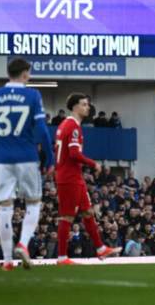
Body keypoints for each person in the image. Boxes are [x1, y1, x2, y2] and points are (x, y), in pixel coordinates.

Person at [0, 57, 55, 271]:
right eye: (29, 72)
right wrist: (50, 157)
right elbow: (42, 130)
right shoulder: (32, 95)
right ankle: (23, 243)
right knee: (33, 203)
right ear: (24, 73)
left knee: (5, 207)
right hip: (27, 156)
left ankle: (8, 260)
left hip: (1, 159)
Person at [54, 93, 120, 265]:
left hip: (73, 176)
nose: (87, 107)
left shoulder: (64, 125)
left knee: (88, 212)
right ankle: (62, 257)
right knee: (67, 217)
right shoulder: (73, 126)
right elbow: (74, 153)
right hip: (69, 177)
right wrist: (94, 164)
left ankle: (100, 248)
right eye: (84, 104)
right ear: (75, 107)